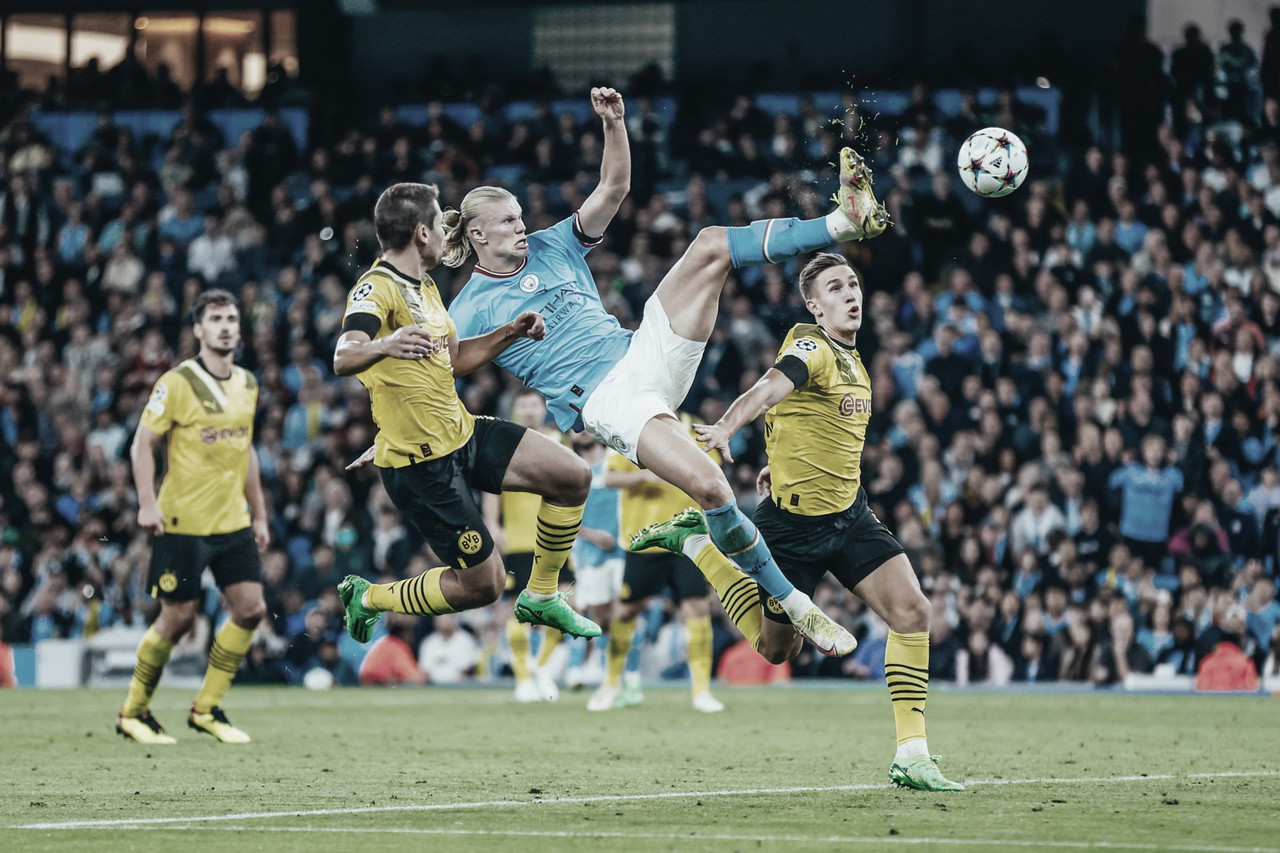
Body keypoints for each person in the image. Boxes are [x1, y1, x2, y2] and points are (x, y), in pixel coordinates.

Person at [444, 87, 888, 657]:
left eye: (521, 216)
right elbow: (444, 370)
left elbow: (614, 188)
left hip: (643, 351)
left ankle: (841, 222)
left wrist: (614, 124)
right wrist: (396, 436)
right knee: (710, 485)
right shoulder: (467, 309)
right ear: (478, 236)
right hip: (609, 400)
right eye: (508, 222)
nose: (522, 226)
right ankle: (797, 605)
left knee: (708, 246)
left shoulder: (553, 244)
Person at [634, 253, 964, 791]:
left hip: (851, 515)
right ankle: (699, 545)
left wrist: (778, 460)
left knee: (911, 610)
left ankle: (913, 753)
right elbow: (771, 387)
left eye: (854, 283)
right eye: (836, 288)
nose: (851, 294)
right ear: (815, 306)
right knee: (777, 650)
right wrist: (727, 426)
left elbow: (811, 424)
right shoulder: (811, 346)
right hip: (792, 529)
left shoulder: (855, 361)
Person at [331, 182, 600, 645]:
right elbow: (344, 355)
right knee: (485, 586)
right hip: (421, 466)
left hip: (463, 433)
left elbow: (455, 356)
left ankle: (542, 594)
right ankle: (370, 598)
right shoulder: (376, 288)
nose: (444, 231)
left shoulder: (427, 286)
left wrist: (510, 332)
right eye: (439, 223)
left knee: (572, 476)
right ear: (421, 232)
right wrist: (385, 345)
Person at [116, 289, 270, 745]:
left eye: (232, 319)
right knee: (178, 618)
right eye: (216, 319)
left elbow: (248, 452)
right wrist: (147, 501)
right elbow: (143, 443)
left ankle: (206, 708)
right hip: (182, 522)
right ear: (198, 330)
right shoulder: (176, 382)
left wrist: (259, 514)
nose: (226, 326)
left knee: (251, 609)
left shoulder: (247, 383)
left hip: (232, 522)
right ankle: (133, 712)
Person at [589, 412, 724, 714]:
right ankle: (611, 683)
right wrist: (646, 476)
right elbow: (608, 477)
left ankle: (701, 691)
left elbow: (712, 476)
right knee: (626, 612)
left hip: (688, 538)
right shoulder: (631, 426)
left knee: (697, 608)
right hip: (644, 540)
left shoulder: (696, 428)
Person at [481, 389, 574, 702]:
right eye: (523, 405)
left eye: (534, 404)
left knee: (563, 608)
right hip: (520, 540)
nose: (529, 410)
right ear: (516, 410)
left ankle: (542, 667)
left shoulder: (560, 443)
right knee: (517, 612)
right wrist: (493, 525)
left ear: (543, 408)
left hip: (557, 538)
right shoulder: (503, 441)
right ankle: (523, 678)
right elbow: (490, 488)